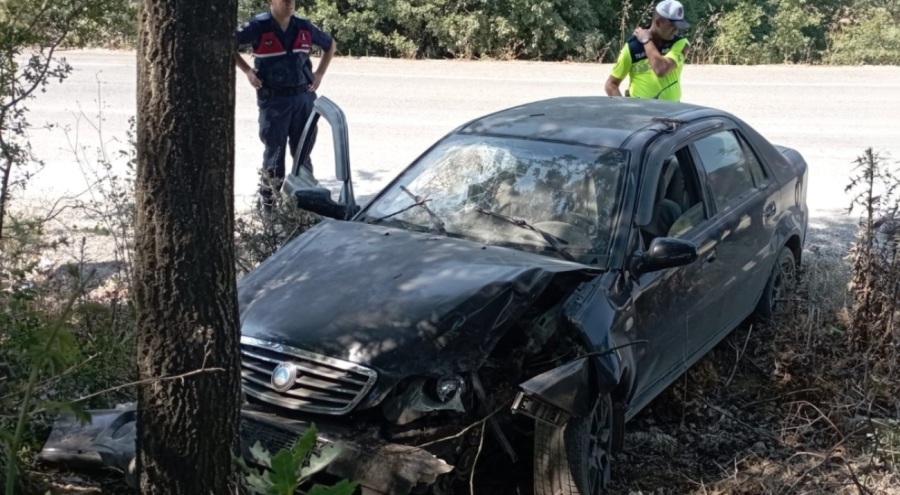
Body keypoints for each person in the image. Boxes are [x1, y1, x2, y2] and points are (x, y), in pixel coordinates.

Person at [234, 0, 336, 209]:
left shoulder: (304, 26)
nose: (290, 2)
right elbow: (228, 43)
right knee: (274, 156)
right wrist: (247, 71)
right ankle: (270, 208)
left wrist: (319, 74)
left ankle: (305, 208)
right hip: (274, 101)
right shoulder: (257, 26)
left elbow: (329, 44)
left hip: (303, 99)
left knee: (303, 156)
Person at [604, 0, 690, 102]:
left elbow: (661, 69)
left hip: (672, 112)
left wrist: (646, 40)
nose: (676, 30)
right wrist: (625, 107)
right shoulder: (632, 47)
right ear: (658, 22)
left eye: (678, 27)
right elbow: (611, 84)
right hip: (641, 113)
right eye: (672, 26)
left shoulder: (681, 43)